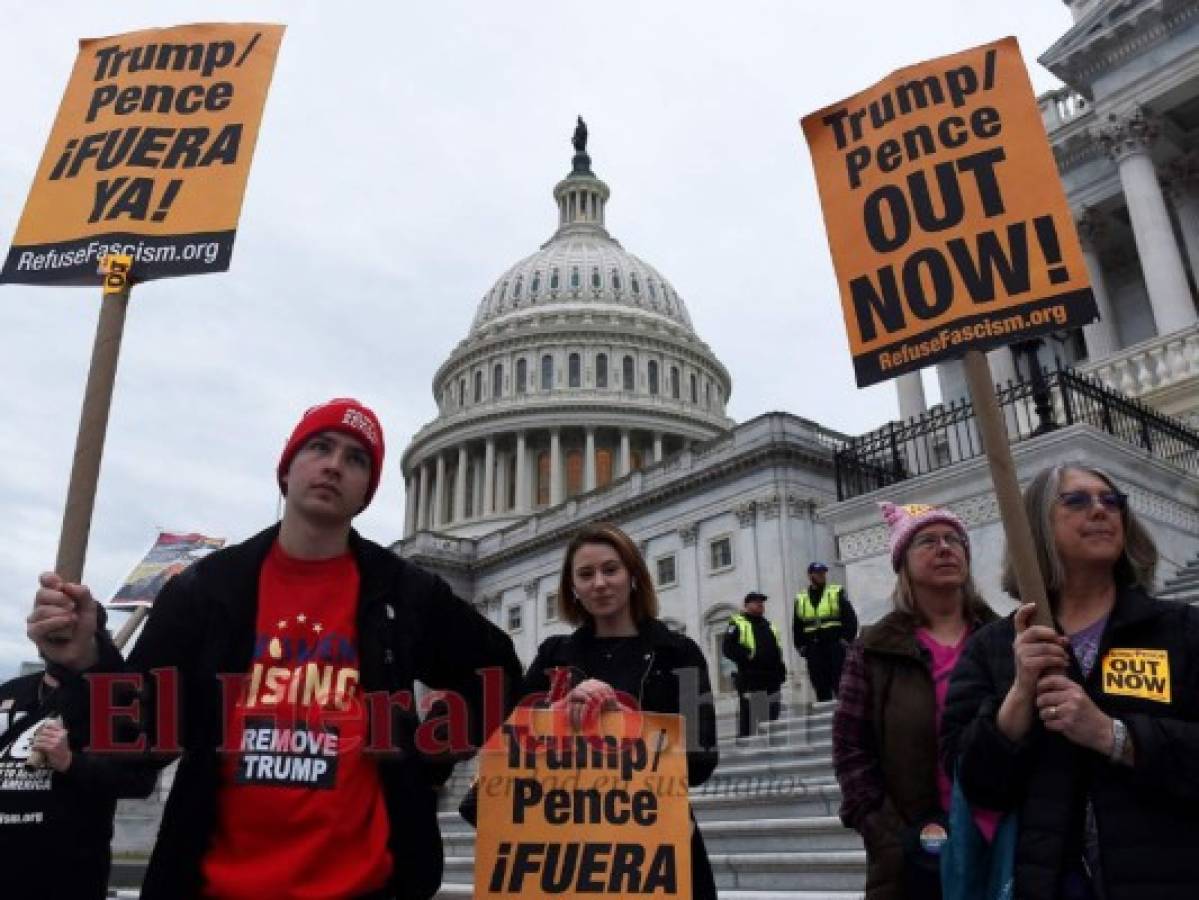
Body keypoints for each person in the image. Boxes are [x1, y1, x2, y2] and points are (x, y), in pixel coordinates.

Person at [27, 398, 522, 900]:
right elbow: (137, 730)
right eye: (320, 447)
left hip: (362, 885)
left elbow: (498, 674)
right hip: (219, 884)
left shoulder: (406, 593)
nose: (334, 465)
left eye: (356, 459)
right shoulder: (205, 589)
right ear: (286, 471)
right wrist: (87, 659)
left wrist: (422, 758)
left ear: (366, 494)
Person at [942, 463, 1199, 900]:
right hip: (1048, 882)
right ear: (1036, 529)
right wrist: (1019, 698)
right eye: (1077, 501)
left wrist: (1114, 736)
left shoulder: (1179, 628)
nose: (1100, 510)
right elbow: (974, 782)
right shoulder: (996, 646)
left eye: (1111, 500)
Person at [520, 522, 720, 900]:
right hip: (566, 842)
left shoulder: (679, 653)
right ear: (572, 589)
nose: (599, 583)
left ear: (632, 576)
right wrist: (558, 710)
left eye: (610, 569)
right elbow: (512, 742)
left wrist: (624, 723)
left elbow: (702, 758)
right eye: (585, 574)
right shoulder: (553, 657)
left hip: (655, 836)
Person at [833, 502, 997, 899]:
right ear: (903, 564)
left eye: (953, 539)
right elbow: (851, 751)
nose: (944, 548)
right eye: (927, 541)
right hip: (914, 852)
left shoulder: (1002, 639)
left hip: (1000, 839)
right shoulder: (872, 650)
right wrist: (889, 835)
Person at [1, 653, 156, 899]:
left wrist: (70, 762)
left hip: (65, 874)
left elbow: (138, 781)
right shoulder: (11, 691)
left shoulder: (118, 700)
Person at [722, 590, 786, 738]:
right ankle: (746, 747)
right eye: (756, 601)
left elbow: (777, 650)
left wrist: (781, 670)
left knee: (772, 715)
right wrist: (747, 655)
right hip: (750, 677)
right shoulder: (737, 623)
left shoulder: (769, 626)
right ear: (747, 605)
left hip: (771, 677)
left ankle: (773, 744)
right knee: (749, 716)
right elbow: (728, 648)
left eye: (762, 602)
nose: (760, 604)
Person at [794, 561, 858, 701]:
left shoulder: (836, 592)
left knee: (839, 680)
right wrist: (801, 646)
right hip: (814, 647)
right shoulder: (801, 598)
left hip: (835, 645)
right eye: (818, 573)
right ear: (810, 575)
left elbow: (850, 618)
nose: (822, 575)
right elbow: (797, 626)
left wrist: (845, 640)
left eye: (823, 573)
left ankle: (843, 713)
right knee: (819, 681)